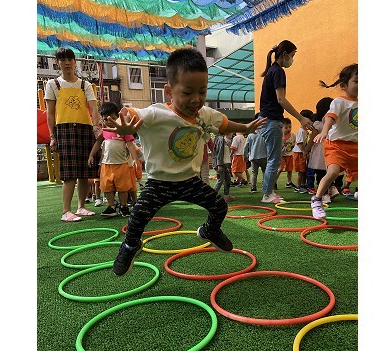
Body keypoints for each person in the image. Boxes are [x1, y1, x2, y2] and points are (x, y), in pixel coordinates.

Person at [105, 48, 266, 275]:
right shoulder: (156, 114)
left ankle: (209, 231)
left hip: (190, 181)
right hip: (159, 183)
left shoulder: (205, 115)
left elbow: (223, 124)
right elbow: (132, 113)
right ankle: (131, 246)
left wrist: (246, 127)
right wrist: (124, 124)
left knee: (219, 206)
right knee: (138, 215)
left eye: (202, 92)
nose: (196, 99)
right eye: (188, 92)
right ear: (169, 91)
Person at [45, 47, 101, 222]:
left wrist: (96, 126)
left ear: (75, 62)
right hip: (64, 129)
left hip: (85, 128)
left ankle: (81, 207)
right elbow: (50, 113)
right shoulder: (53, 84)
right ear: (57, 63)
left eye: (70, 59)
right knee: (69, 173)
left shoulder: (85, 85)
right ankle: (66, 211)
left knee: (85, 171)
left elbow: (94, 108)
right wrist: (52, 136)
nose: (67, 63)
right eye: (62, 60)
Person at [258, 40, 313, 204]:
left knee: (274, 158)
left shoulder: (272, 71)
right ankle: (267, 195)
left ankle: (269, 192)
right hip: (271, 120)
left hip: (267, 120)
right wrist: (300, 117)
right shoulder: (278, 71)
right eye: (292, 55)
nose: (292, 59)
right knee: (274, 159)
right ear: (284, 55)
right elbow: (281, 99)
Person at [310, 63, 358, 219]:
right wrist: (324, 131)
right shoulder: (339, 102)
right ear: (344, 85)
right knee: (333, 172)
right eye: (357, 81)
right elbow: (330, 117)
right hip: (336, 145)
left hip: (355, 146)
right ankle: (317, 200)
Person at [88, 102, 138, 218]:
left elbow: (130, 145)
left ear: (118, 117)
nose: (109, 121)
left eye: (112, 118)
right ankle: (111, 206)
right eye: (105, 119)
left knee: (123, 187)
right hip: (107, 165)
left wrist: (135, 159)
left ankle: (123, 206)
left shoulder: (123, 130)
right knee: (107, 187)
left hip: (121, 164)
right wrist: (91, 155)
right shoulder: (105, 131)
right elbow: (98, 143)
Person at [243, 113, 268, 193]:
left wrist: (245, 156)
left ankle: (253, 187)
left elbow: (246, 146)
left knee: (254, 173)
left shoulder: (251, 134)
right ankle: (265, 186)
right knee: (265, 172)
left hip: (253, 156)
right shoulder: (265, 133)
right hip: (263, 156)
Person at [293, 109, 314, 192]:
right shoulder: (301, 131)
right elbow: (299, 143)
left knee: (304, 170)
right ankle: (298, 186)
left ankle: (302, 184)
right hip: (299, 153)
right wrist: (304, 151)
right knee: (301, 171)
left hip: (301, 152)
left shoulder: (305, 131)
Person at [212, 132, 235, 202]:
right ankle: (211, 196)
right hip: (220, 164)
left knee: (228, 179)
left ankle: (227, 195)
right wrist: (219, 164)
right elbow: (219, 152)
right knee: (220, 180)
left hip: (224, 164)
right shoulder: (220, 139)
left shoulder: (222, 139)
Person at [277, 118, 296, 188]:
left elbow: (295, 143)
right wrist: (282, 146)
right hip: (281, 155)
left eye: (290, 127)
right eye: (286, 128)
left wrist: (293, 145)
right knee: (280, 169)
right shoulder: (279, 136)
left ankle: (289, 182)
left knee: (289, 169)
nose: (288, 129)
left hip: (289, 155)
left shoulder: (293, 135)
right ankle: (273, 182)